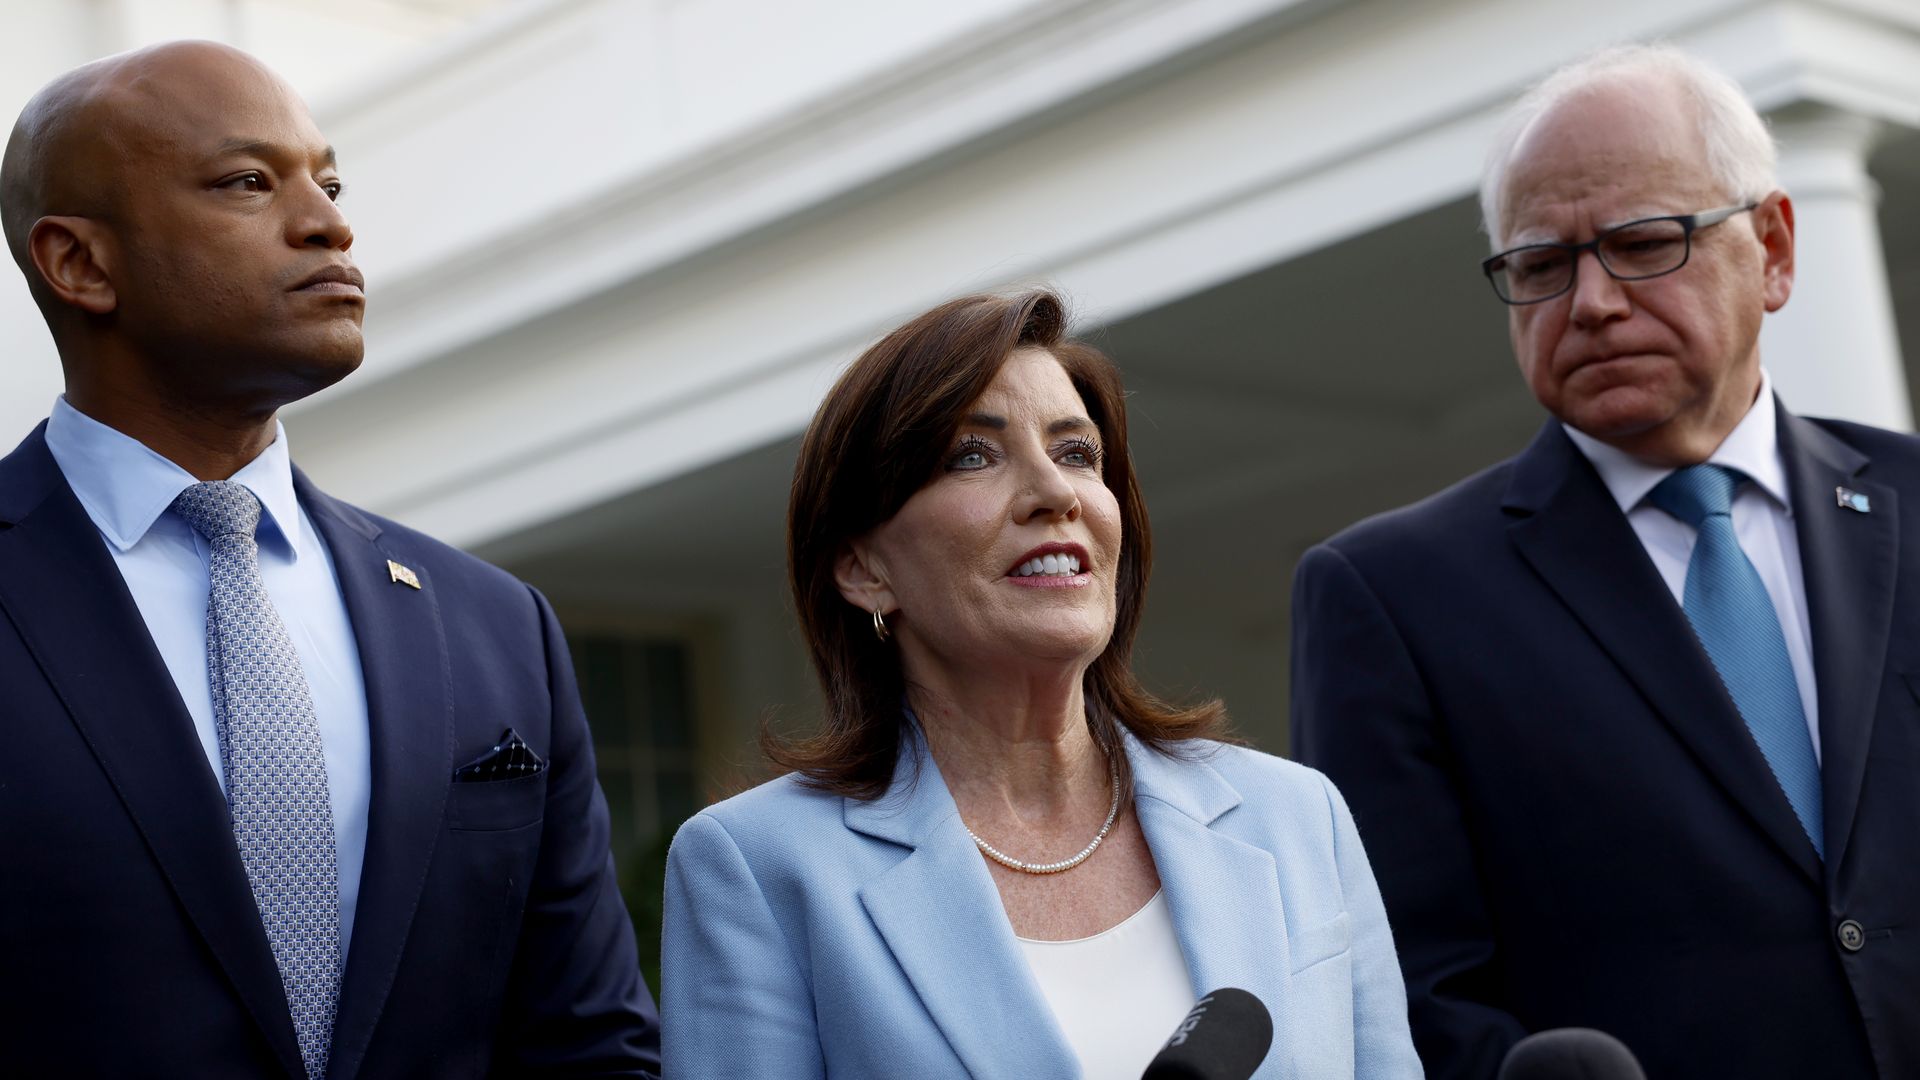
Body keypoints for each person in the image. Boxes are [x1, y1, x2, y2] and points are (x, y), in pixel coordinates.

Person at [0, 42, 659, 1078]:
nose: (332, 225)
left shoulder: (497, 628)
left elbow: (588, 1042)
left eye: (332, 182)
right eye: (249, 183)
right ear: (79, 262)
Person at [1290, 44, 1920, 1079]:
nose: (1590, 303)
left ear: (1773, 249)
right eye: (1541, 265)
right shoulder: (1393, 598)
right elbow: (1405, 994)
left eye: (1641, 243)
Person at [660, 289, 1420, 1079]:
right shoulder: (757, 867)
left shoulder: (1296, 818)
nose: (1057, 494)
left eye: (1077, 453)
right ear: (863, 568)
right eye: (971, 455)